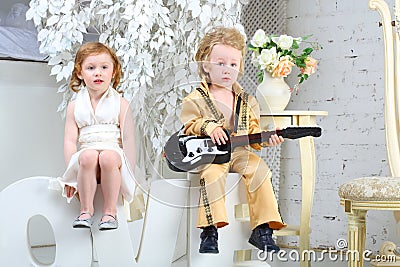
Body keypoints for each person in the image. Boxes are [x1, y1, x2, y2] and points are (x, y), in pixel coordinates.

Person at [180, 27, 286, 254]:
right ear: (205, 65)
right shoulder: (196, 98)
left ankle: (262, 228)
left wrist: (268, 139)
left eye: (233, 64)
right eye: (220, 63)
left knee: (259, 169)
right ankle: (210, 229)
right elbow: (189, 124)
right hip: (211, 154)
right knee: (211, 175)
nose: (227, 69)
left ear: (239, 67)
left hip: (238, 152)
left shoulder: (247, 101)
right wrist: (209, 127)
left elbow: (254, 135)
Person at [57, 42, 137, 231]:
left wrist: (131, 173)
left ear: (114, 71)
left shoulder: (121, 103)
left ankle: (110, 213)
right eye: (91, 68)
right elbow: (70, 141)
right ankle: (86, 211)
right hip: (87, 161)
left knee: (107, 156)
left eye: (104, 67)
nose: (98, 73)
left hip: (114, 159)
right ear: (79, 73)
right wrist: (71, 174)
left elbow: (129, 140)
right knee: (88, 155)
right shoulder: (74, 107)